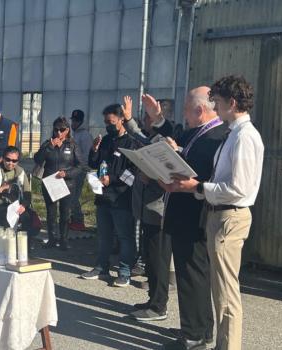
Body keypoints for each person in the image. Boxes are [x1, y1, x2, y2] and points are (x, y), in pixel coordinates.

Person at [164, 76, 264, 350]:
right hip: (219, 215)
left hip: (229, 216)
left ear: (232, 103)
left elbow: (238, 188)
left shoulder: (244, 137)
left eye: (218, 103)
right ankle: (219, 342)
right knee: (221, 292)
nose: (215, 109)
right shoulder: (234, 134)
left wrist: (198, 186)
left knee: (227, 296)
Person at [153, 87, 226, 350]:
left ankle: (193, 335)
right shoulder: (198, 132)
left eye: (186, 108)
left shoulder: (217, 136)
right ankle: (201, 327)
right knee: (194, 275)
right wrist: (175, 150)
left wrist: (179, 155)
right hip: (185, 213)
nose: (183, 112)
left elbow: (205, 172)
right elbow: (189, 155)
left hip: (195, 215)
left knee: (192, 276)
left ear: (199, 110)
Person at [121, 95, 174, 319]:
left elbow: (169, 173)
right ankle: (152, 299)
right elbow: (141, 139)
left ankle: (159, 305)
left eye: (147, 116)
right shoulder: (153, 138)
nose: (144, 120)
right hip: (146, 210)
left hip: (158, 211)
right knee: (150, 260)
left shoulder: (168, 140)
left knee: (159, 260)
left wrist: (150, 177)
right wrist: (129, 119)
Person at [81, 104, 139, 287]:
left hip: (121, 197)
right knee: (104, 235)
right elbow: (94, 163)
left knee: (124, 236)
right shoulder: (106, 140)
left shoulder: (131, 142)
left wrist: (112, 180)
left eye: (111, 122)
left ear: (122, 119)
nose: (108, 125)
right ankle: (101, 267)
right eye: (106, 122)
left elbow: (133, 172)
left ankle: (124, 271)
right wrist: (94, 150)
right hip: (103, 196)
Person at [34, 117, 80, 251]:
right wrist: (49, 147)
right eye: (56, 130)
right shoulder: (48, 143)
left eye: (62, 130)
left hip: (67, 183)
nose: (59, 133)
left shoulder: (72, 145)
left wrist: (67, 173)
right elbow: (37, 159)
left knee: (65, 212)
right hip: (50, 182)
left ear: (67, 130)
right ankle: (52, 239)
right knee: (51, 212)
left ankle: (64, 240)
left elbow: (80, 166)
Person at [0, 146, 40, 247]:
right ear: (3, 158)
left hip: (16, 204)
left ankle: (24, 248)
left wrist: (24, 205)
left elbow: (27, 193)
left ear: (18, 161)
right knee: (9, 216)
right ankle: (7, 248)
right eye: (7, 159)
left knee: (28, 217)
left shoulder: (20, 172)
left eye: (14, 161)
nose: (10, 163)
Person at [68, 109, 93, 231]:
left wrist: (81, 168)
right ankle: (73, 219)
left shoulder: (85, 135)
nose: (73, 123)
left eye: (76, 121)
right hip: (72, 169)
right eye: (72, 120)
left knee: (73, 196)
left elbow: (87, 155)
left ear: (81, 121)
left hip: (80, 170)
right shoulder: (75, 134)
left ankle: (78, 220)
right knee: (70, 195)